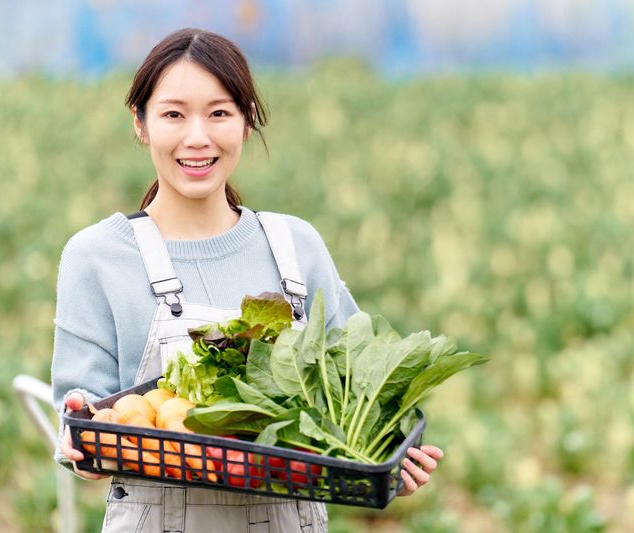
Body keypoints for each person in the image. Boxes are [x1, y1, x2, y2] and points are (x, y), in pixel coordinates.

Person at [52, 28, 443, 533]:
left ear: (246, 121)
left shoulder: (295, 246)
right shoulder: (97, 257)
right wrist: (81, 441)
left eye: (219, 113)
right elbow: (79, 419)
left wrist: (387, 452)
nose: (198, 137)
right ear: (140, 123)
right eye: (174, 114)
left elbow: (357, 379)